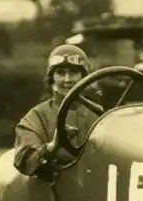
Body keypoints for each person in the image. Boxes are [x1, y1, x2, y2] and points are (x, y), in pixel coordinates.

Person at [13, 44, 101, 181]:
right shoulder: (36, 117)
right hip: (53, 192)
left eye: (73, 72)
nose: (67, 80)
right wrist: (51, 147)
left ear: (84, 76)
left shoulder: (99, 114)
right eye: (60, 72)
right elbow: (23, 159)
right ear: (52, 77)